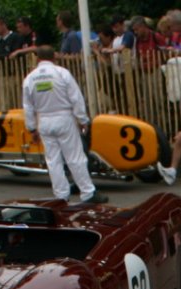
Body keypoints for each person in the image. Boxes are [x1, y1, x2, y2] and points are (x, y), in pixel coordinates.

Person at [22, 46, 105, 204]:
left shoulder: (30, 79)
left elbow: (28, 107)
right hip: (64, 118)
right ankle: (87, 193)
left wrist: (32, 128)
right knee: (75, 157)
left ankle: (61, 196)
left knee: (53, 160)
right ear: (54, 56)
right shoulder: (62, 73)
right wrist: (82, 119)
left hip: (44, 121)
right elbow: (76, 97)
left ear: (38, 58)